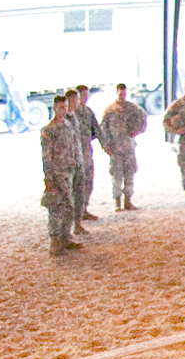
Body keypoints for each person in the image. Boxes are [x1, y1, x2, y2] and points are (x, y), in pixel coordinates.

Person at [40, 94, 80, 254]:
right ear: (54, 109)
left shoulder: (69, 126)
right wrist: (48, 177)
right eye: (60, 108)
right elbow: (46, 156)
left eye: (65, 107)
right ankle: (55, 241)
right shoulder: (48, 130)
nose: (63, 111)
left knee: (69, 206)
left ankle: (65, 237)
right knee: (56, 207)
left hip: (68, 171)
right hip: (56, 173)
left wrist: (76, 164)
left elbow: (73, 146)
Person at [100, 83, 147, 212]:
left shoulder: (132, 108)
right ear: (116, 93)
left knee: (129, 174)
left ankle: (128, 201)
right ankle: (117, 203)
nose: (122, 95)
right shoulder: (110, 110)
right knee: (116, 176)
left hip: (128, 148)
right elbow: (103, 129)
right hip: (116, 149)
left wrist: (137, 130)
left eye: (124, 93)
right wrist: (106, 146)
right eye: (120, 93)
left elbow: (143, 118)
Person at [72, 85, 102, 226]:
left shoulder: (88, 112)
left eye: (86, 95)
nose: (85, 98)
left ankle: (84, 209)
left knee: (88, 182)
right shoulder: (71, 114)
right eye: (82, 95)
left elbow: (97, 129)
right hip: (75, 156)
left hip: (87, 153)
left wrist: (106, 145)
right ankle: (75, 215)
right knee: (76, 184)